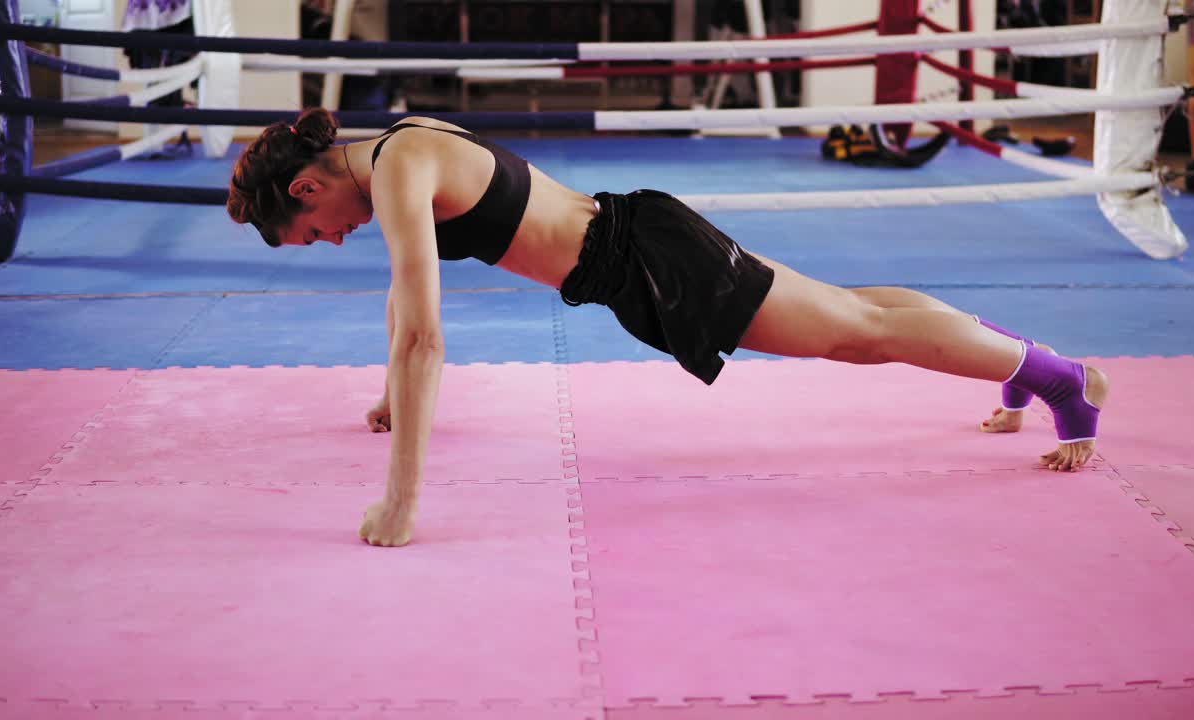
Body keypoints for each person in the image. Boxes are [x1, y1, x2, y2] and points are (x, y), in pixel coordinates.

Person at [226, 108, 1107, 548]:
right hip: (642, 243)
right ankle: (1025, 363)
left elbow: (423, 335)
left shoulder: (398, 168)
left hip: (652, 262)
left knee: (858, 331)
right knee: (859, 309)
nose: (332, 238)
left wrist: (403, 501)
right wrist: (389, 395)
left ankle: (1064, 379)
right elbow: (402, 309)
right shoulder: (397, 146)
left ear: (307, 189)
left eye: (316, 232)